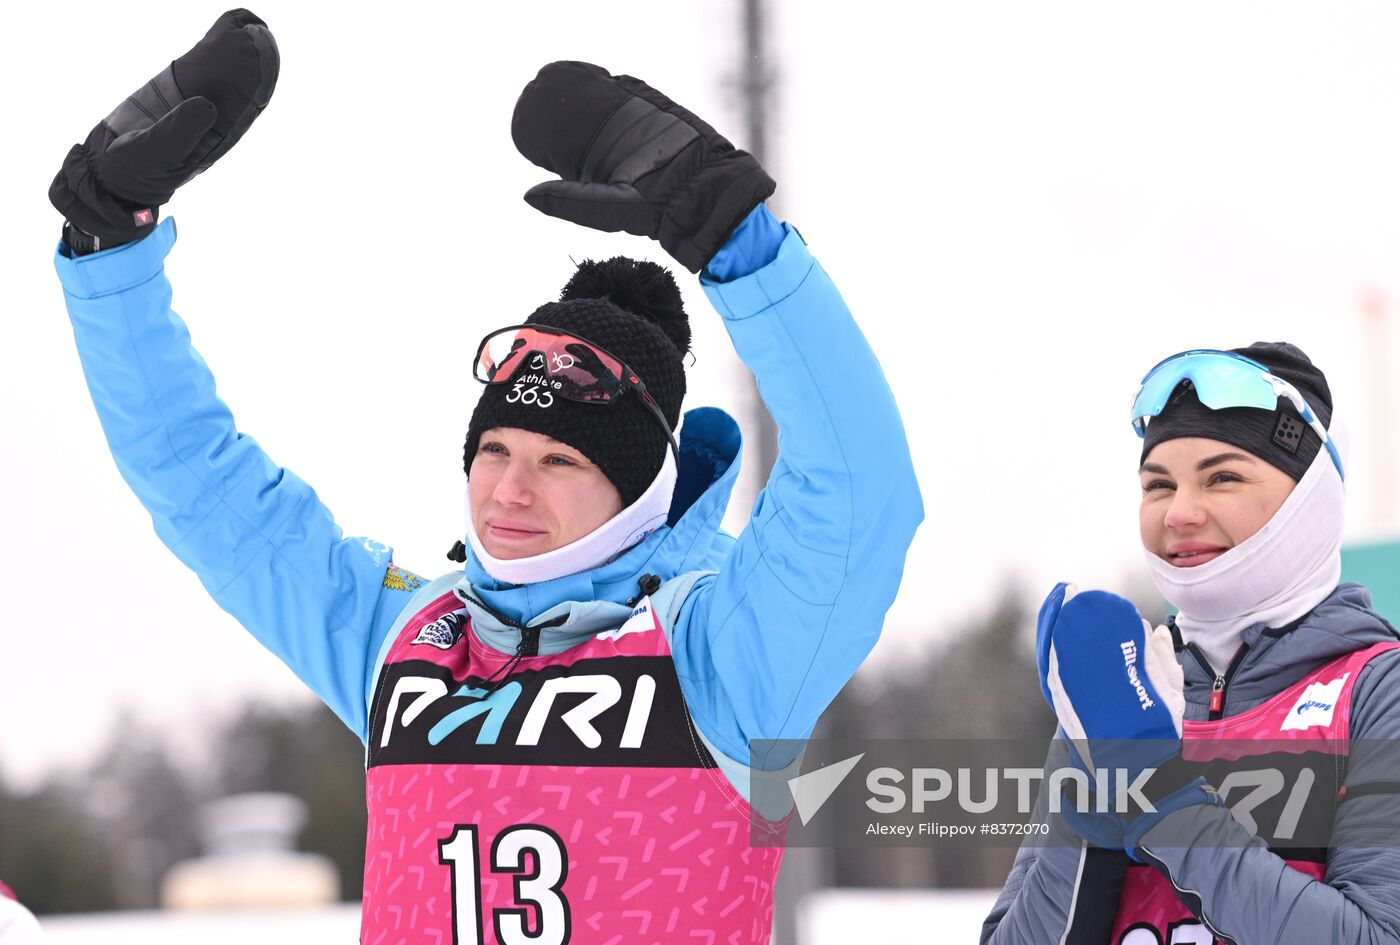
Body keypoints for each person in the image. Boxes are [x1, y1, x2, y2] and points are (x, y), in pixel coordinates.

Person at [49, 12, 922, 944]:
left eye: (559, 462)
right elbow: (204, 488)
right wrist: (112, 251)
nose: (509, 490)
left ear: (637, 495)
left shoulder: (721, 654)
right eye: (495, 451)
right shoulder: (405, 639)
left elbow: (859, 495)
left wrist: (737, 243)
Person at [982, 344, 1400, 944]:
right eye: (1158, 485)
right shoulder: (1127, 691)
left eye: (1222, 477)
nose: (1178, 512)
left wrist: (1161, 796)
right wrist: (1094, 807)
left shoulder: (1376, 689)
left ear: (1309, 502)